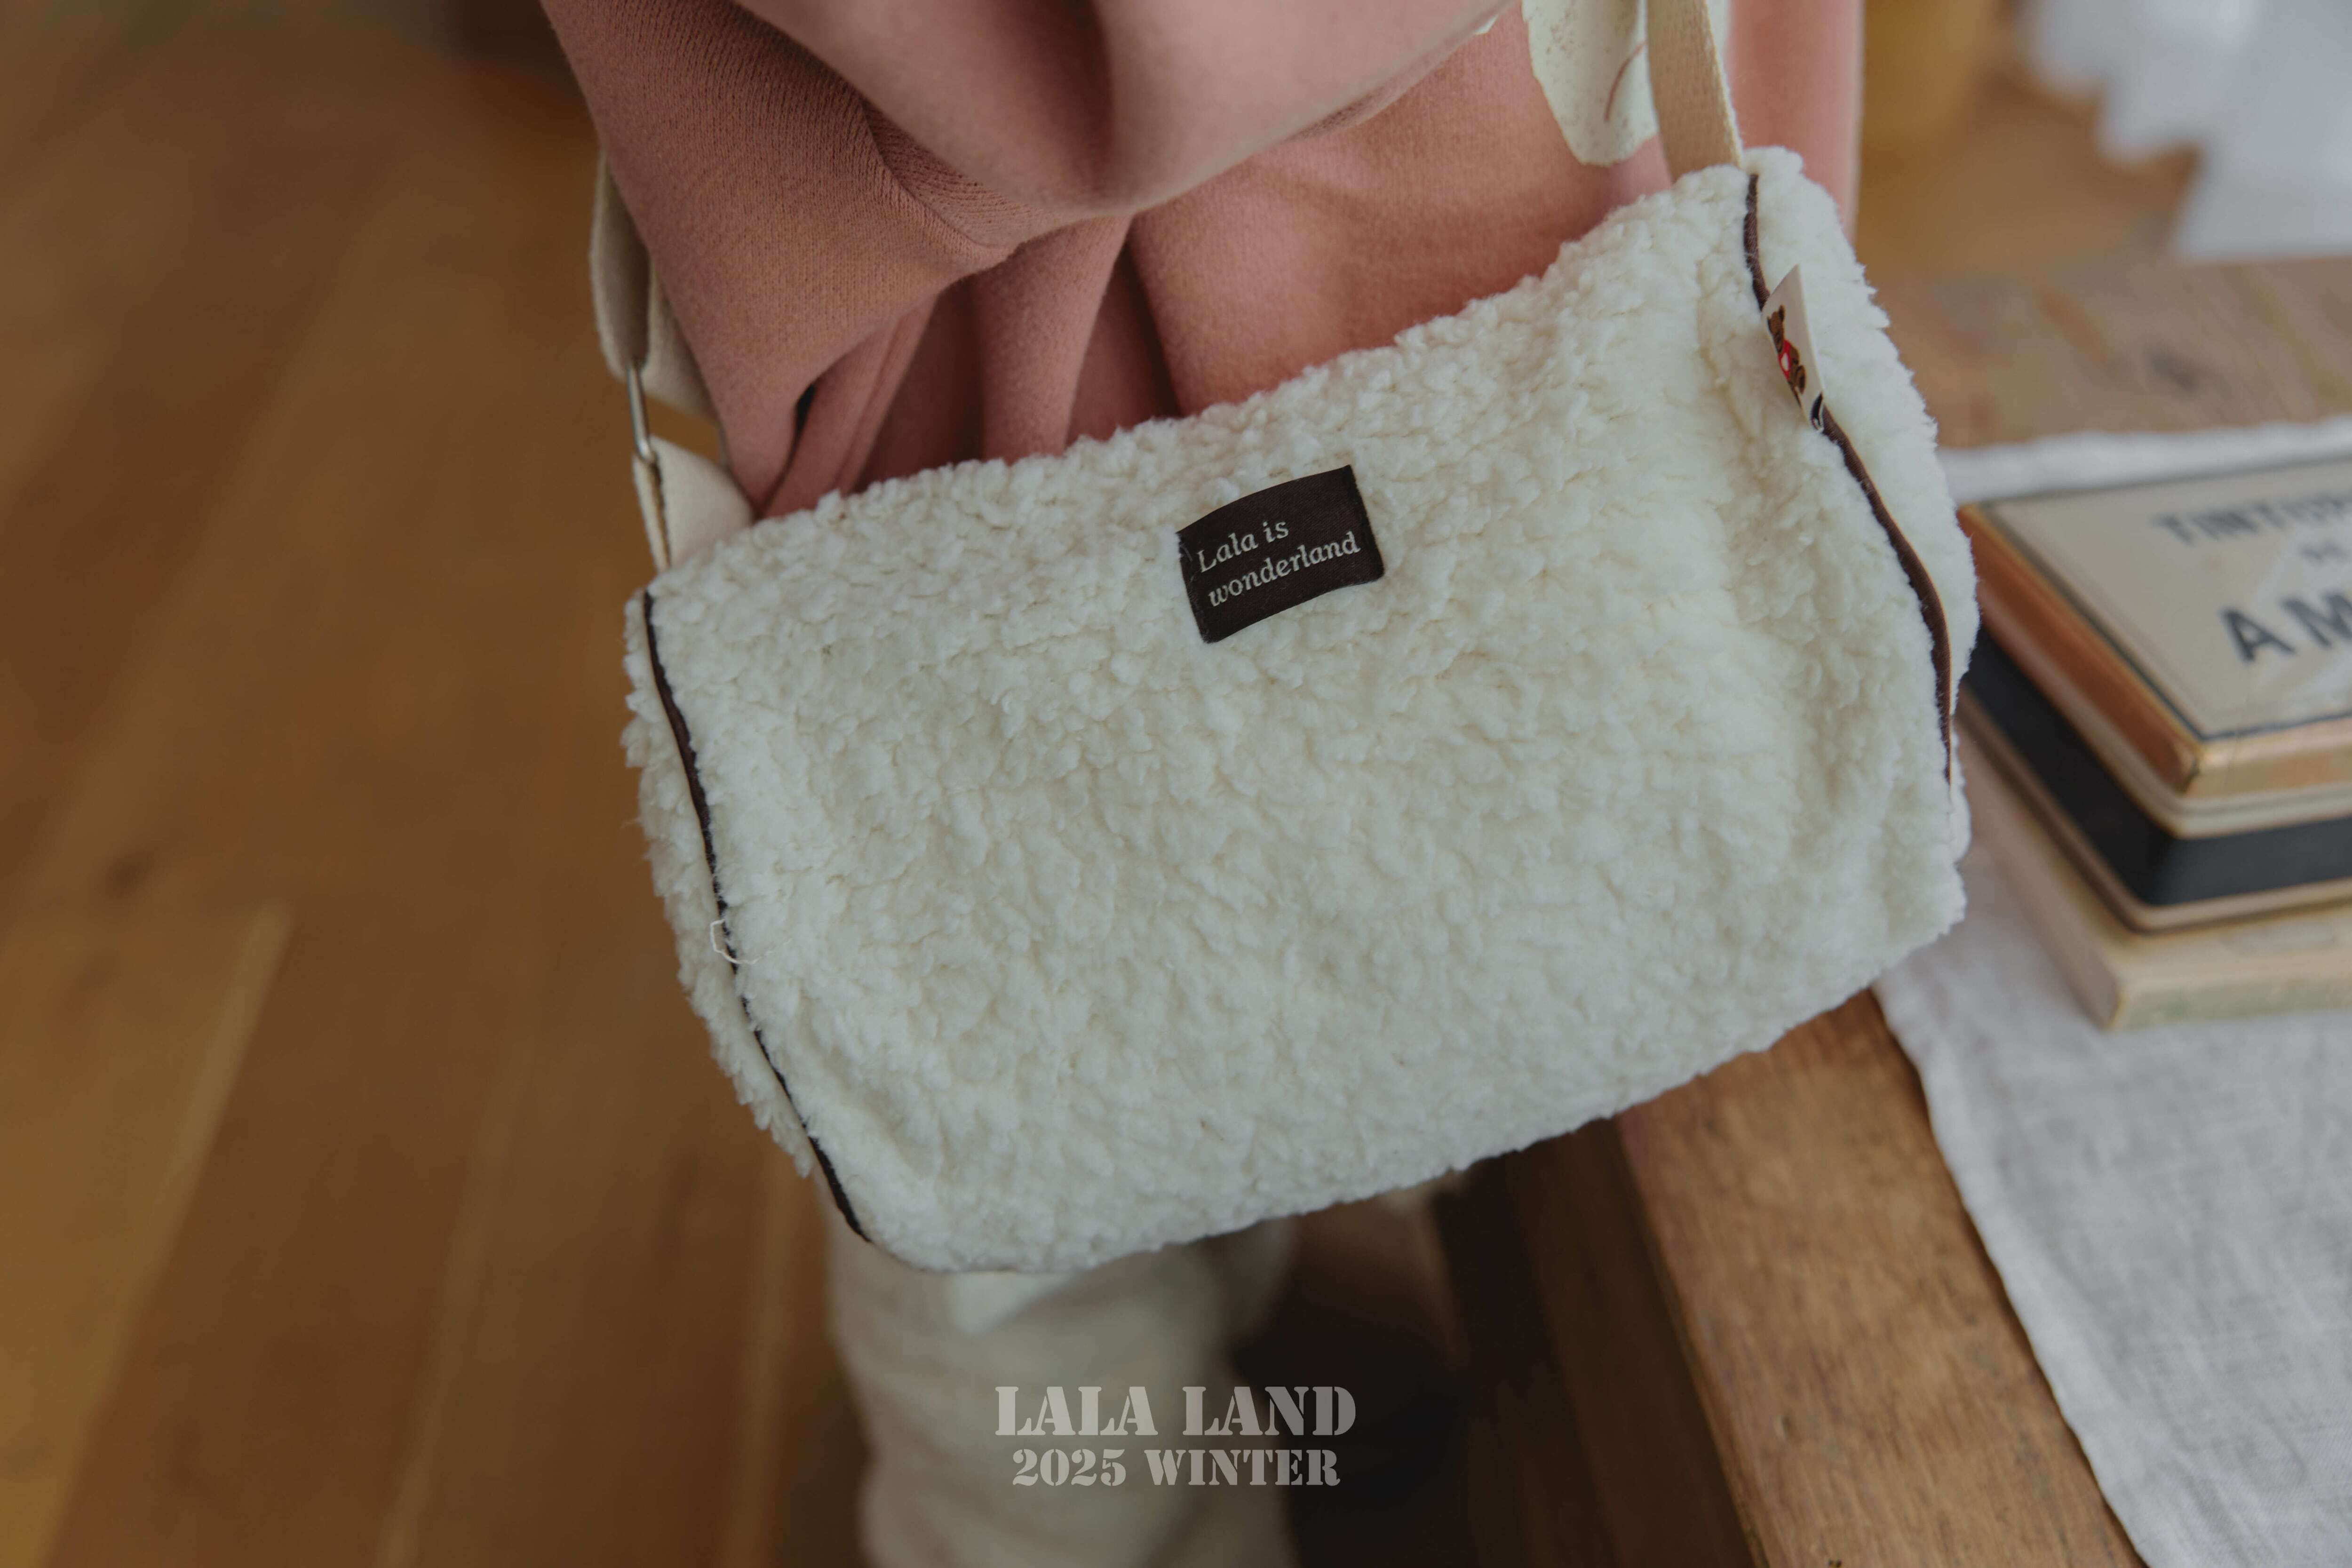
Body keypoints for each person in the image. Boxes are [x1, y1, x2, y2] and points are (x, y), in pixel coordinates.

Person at [539, 2, 1859, 1562]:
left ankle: (1216, 1326)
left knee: (1087, 1158)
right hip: (1431, 382)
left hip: (1125, 429)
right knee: (1070, 1163)